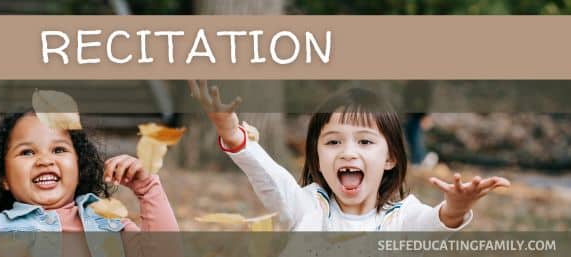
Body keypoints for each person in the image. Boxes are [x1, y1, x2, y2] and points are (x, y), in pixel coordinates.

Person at [189, 80, 509, 231]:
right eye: (333, 142)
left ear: (391, 158)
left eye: (365, 142)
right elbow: (273, 181)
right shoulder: (307, 207)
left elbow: (432, 223)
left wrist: (454, 208)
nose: (347, 152)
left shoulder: (402, 217)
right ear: (316, 157)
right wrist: (234, 137)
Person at [0, 110, 179, 256]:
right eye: (27, 152)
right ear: (3, 178)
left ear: (79, 166)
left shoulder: (109, 223)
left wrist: (148, 189)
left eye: (59, 150)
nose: (45, 160)